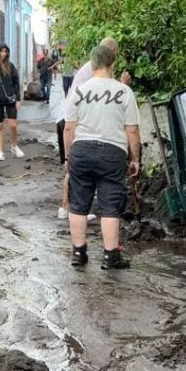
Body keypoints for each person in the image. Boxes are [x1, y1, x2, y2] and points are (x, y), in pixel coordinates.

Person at [63, 42, 141, 271]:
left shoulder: (79, 91)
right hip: (112, 154)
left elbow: (69, 128)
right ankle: (110, 257)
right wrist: (134, 158)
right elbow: (132, 130)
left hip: (82, 151)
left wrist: (69, 158)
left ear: (93, 64)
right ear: (112, 64)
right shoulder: (124, 92)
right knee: (109, 207)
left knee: (78, 204)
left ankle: (78, 254)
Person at [55, 36, 130, 219]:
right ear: (110, 53)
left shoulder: (89, 67)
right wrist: (123, 84)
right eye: (115, 55)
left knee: (74, 165)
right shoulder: (96, 70)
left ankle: (71, 208)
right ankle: (68, 207)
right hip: (71, 119)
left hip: (68, 117)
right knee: (72, 164)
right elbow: (109, 94)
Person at [0, 43, 24, 161]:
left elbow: (16, 83)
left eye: (6, 51)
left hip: (10, 98)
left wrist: (18, 99)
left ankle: (14, 146)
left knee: (13, 125)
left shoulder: (11, 66)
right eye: (1, 51)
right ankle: (0, 152)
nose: (4, 54)